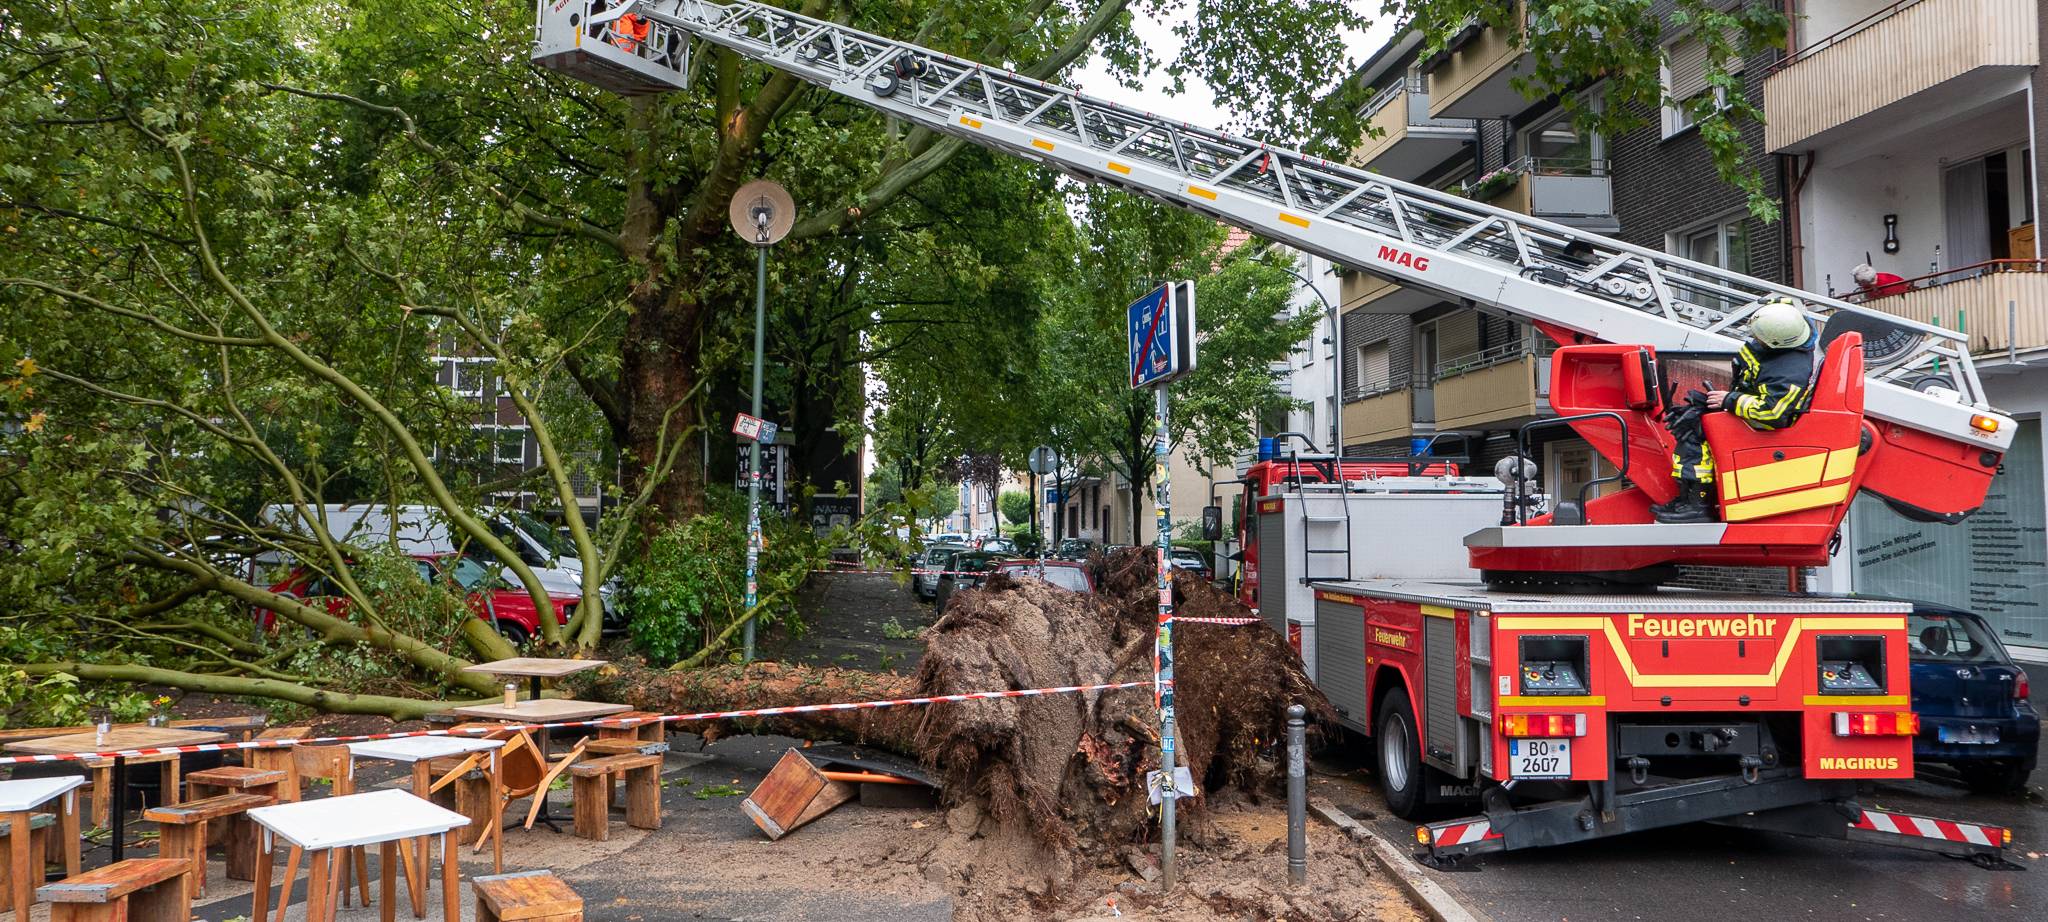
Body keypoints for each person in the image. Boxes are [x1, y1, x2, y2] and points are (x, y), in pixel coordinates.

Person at [1651, 296, 1820, 524]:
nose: (1755, 339)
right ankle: (1686, 499)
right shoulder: (1791, 324)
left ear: (1775, 342)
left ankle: (1698, 505)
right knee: (1690, 415)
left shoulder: (1789, 371)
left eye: (1759, 337)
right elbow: (1790, 303)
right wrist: (1775, 301)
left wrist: (1730, 400)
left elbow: (1773, 413)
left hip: (1763, 424)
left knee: (1696, 431)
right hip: (1747, 403)